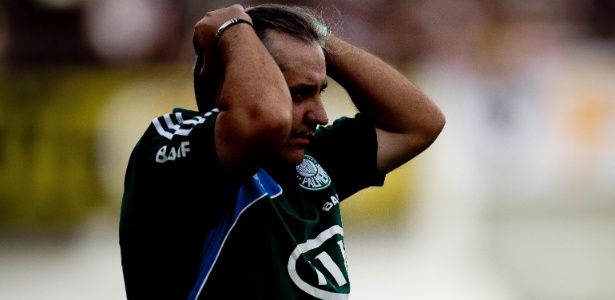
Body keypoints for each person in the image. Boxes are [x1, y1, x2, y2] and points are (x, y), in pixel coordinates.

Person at [119, 3, 445, 299]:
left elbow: (420, 123)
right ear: (228, 84)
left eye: (320, 91)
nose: (321, 115)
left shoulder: (308, 159)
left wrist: (315, 37)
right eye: (299, 94)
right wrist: (233, 28)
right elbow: (268, 120)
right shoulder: (168, 149)